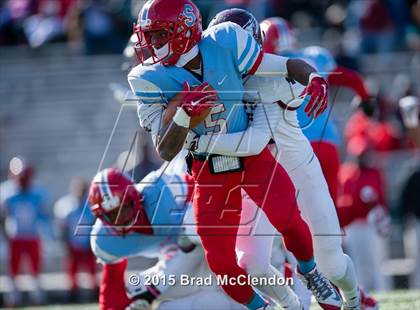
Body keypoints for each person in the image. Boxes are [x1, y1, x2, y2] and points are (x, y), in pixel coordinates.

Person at [128, 1, 341, 309]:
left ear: (185, 31)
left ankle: (310, 272)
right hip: (207, 172)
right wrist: (184, 117)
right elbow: (165, 149)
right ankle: (261, 307)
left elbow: (280, 65)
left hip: (253, 161)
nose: (153, 43)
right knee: (222, 265)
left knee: (290, 220)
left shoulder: (225, 40)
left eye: (160, 34)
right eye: (150, 35)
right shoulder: (146, 77)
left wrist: (313, 78)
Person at [193, 8, 375, 310]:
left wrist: (199, 142)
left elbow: (254, 141)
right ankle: (291, 304)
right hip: (256, 175)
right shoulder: (215, 76)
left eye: (232, 46)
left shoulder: (271, 79)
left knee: (330, 263)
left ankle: (354, 299)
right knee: (250, 263)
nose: (224, 54)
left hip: (296, 171)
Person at [88, 162, 249, 310]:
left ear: (134, 196)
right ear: (103, 218)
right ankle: (225, 301)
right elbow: (112, 291)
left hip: (214, 245)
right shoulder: (105, 242)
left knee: (192, 231)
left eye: (124, 207)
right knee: (138, 293)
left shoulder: (160, 189)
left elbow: (211, 195)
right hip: (178, 264)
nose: (122, 218)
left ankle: (245, 289)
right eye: (113, 214)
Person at [260, 17, 375, 205]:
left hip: (293, 147)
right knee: (330, 209)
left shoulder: (267, 66)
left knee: (297, 213)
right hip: (326, 143)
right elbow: (353, 79)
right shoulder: (315, 57)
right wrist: (365, 98)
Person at [338, 136, 391, 292]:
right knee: (359, 264)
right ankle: (364, 294)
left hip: (372, 225)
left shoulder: (375, 173)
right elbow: (345, 202)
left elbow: (382, 200)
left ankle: (383, 292)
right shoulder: (347, 173)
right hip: (354, 226)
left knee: (378, 262)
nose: (362, 157)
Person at [0, 158, 48, 306]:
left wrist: (45, 234)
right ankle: (13, 300)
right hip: (15, 236)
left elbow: (43, 215)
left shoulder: (38, 191)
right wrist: (4, 234)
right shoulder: (6, 191)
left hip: (32, 235)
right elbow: (2, 216)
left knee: (35, 270)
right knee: (13, 270)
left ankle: (37, 299)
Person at [59, 177, 98, 300]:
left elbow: (94, 225)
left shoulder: (91, 205)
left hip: (87, 244)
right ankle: (73, 292)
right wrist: (65, 243)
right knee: (72, 270)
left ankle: (94, 291)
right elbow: (63, 227)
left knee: (92, 270)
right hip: (73, 243)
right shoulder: (66, 206)